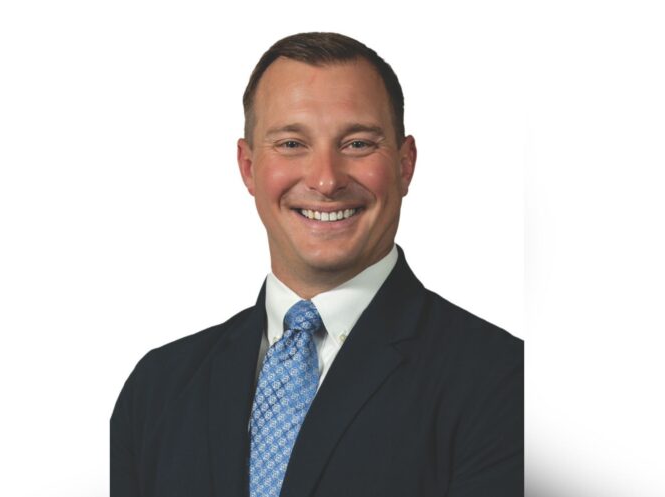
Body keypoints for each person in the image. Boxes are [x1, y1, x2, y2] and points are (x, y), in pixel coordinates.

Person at [110, 32, 523, 497]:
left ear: (405, 165)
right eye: (291, 144)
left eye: (358, 144)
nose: (326, 180)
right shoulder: (157, 388)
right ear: (248, 167)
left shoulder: (507, 384)